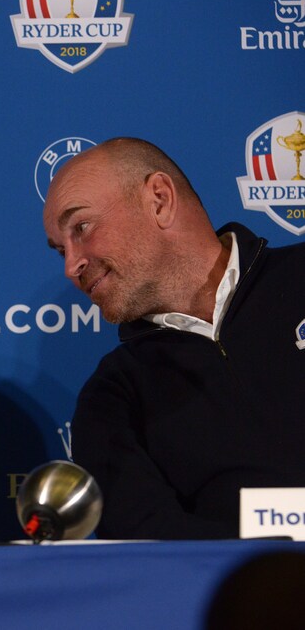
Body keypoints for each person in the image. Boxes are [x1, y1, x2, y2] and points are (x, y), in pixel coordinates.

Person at [43, 137, 305, 539]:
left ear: (160, 200)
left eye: (82, 227)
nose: (71, 265)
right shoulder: (113, 397)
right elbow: (158, 558)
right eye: (60, 249)